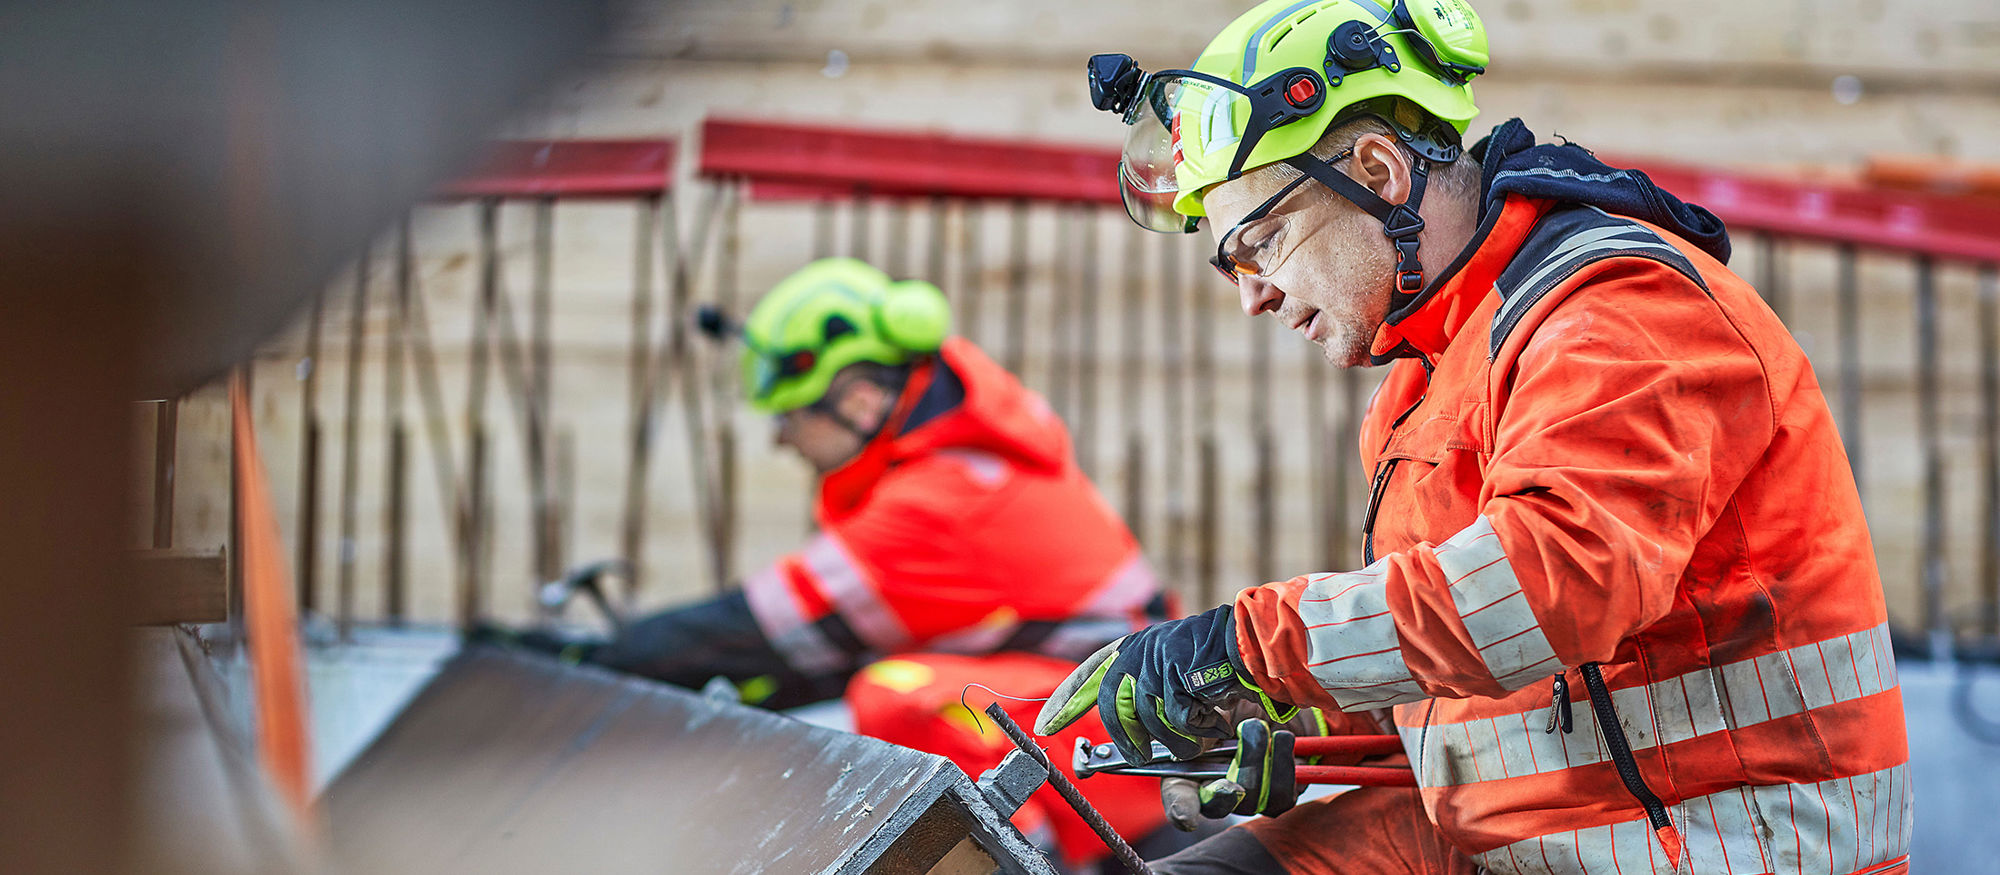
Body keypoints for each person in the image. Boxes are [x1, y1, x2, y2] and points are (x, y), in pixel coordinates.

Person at [1037, 2, 1913, 874]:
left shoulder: (1617, 311)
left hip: (1702, 846)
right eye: (1233, 265)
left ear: (1378, 170)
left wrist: (1253, 650)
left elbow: (1557, 584)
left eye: (1260, 243)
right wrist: (1302, 730)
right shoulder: (1425, 379)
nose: (1252, 295)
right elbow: (1470, 669)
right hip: (1537, 835)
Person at [506, 257, 1177, 870]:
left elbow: (760, 630)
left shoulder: (940, 501)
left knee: (892, 693)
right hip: (1108, 712)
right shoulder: (959, 461)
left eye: (792, 415)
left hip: (1112, 743)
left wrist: (584, 664)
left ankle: (1032, 863)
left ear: (857, 399)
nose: (780, 436)